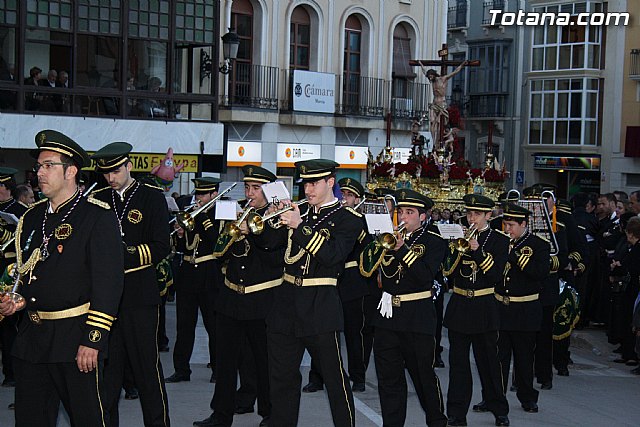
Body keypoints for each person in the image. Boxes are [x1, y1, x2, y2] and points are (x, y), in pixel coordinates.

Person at [0, 129, 124, 426]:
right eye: (39, 166)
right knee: (30, 419)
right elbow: (28, 271)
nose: (39, 173)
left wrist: (93, 340)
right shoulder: (32, 216)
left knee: (88, 419)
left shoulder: (97, 216)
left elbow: (109, 284)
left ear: (71, 171)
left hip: (75, 338)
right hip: (32, 339)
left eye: (48, 166)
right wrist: (14, 301)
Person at [267, 159, 359, 427]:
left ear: (330, 183)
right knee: (282, 377)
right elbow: (269, 247)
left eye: (314, 183)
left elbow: (333, 256)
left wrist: (298, 226)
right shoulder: (299, 211)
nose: (308, 189)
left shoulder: (349, 219)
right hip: (285, 303)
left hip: (320, 304)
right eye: (305, 183)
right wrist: (268, 220)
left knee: (334, 378)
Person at [194, 166, 285, 427]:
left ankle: (269, 413)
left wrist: (254, 231)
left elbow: (273, 251)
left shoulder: (277, 216)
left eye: (256, 188)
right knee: (225, 362)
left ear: (268, 190)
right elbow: (219, 252)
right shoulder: (235, 211)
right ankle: (221, 414)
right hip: (231, 297)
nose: (250, 193)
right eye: (247, 188)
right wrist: (229, 233)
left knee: (264, 361)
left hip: (262, 300)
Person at [90, 142, 171, 427]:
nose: (110, 178)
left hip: (140, 296)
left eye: (115, 171)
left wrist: (121, 255)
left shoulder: (151, 197)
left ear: (129, 166)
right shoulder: (98, 198)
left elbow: (163, 246)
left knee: (147, 370)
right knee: (107, 376)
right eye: (105, 173)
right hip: (104, 301)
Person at [369, 189, 447, 427]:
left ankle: (436, 420)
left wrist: (402, 249)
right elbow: (369, 269)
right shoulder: (387, 237)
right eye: (400, 211)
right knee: (389, 379)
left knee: (423, 376)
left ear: (423, 216)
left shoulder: (435, 241)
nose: (403, 217)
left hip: (417, 318)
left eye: (410, 212)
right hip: (388, 316)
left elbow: (424, 276)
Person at [443, 194, 510, 427]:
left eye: (477, 215)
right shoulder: (458, 236)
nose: (472, 218)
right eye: (470, 214)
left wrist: (477, 250)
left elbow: (495, 275)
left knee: (489, 363)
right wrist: (455, 248)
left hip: (484, 306)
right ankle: (456, 413)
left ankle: (499, 408)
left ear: (488, 216)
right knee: (458, 365)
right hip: (460, 305)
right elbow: (447, 272)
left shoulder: (500, 240)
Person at [302, 178, 373, 394]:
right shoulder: (330, 216)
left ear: (357, 199)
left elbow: (368, 249)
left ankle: (358, 376)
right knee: (320, 330)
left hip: (352, 278)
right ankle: (316, 377)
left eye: (350, 195)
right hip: (327, 278)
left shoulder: (359, 220)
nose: (345, 198)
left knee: (354, 332)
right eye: (343, 194)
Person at [165, 177, 221, 384]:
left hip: (209, 272)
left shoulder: (220, 212)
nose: (198, 198)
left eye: (203, 194)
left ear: (213, 194)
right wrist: (180, 233)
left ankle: (218, 368)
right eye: (197, 194)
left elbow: (217, 242)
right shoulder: (189, 213)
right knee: (184, 325)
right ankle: (181, 369)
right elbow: (184, 246)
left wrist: (204, 218)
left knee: (213, 325)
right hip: (188, 271)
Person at [496, 203, 550, 414]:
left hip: (525, 309)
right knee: (498, 358)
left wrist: (515, 256)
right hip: (501, 307)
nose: (507, 229)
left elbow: (539, 273)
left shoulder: (539, 245)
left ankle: (527, 397)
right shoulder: (500, 242)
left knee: (524, 357)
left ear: (524, 224)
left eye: (511, 225)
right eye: (505, 224)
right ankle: (494, 397)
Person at [420, 61, 468, 145]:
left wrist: (462, 65)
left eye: (431, 76)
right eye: (429, 77)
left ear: (434, 74)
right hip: (434, 104)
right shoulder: (432, 81)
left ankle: (437, 142)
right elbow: (424, 71)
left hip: (442, 104)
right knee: (432, 121)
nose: (430, 79)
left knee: (439, 123)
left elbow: (455, 72)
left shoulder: (443, 79)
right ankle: (433, 139)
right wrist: (420, 64)